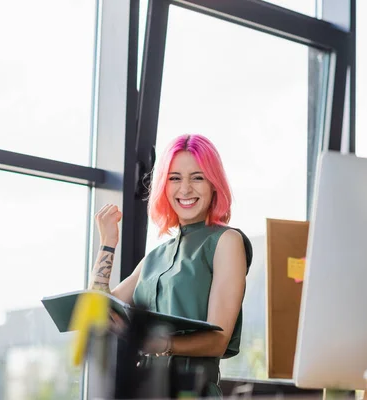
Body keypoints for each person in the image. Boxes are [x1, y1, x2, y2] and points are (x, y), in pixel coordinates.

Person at [88, 134, 253, 397]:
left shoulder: (226, 241)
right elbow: (99, 309)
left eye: (197, 177)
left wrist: (159, 344)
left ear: (214, 184)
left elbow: (218, 341)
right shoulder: (155, 256)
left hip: (191, 392)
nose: (185, 189)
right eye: (174, 178)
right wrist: (107, 242)